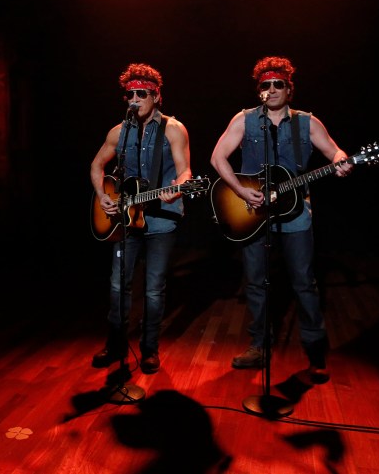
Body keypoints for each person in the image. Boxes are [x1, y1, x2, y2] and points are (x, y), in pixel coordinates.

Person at [209, 55, 352, 382]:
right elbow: (218, 158)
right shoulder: (244, 120)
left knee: (304, 283)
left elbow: (334, 152)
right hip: (253, 211)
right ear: (259, 89)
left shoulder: (307, 122)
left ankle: (315, 353)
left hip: (296, 213)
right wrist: (241, 191)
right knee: (256, 282)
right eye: (265, 85)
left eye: (279, 84)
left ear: (290, 88)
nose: (272, 90)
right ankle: (258, 346)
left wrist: (343, 161)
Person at [89, 62, 192, 374]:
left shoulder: (173, 129)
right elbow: (96, 166)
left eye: (141, 93)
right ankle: (116, 344)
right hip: (125, 219)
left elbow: (185, 170)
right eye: (130, 93)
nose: (134, 98)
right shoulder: (119, 132)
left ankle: (149, 349)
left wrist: (178, 188)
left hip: (161, 218)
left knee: (153, 288)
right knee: (118, 285)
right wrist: (104, 195)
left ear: (156, 96)